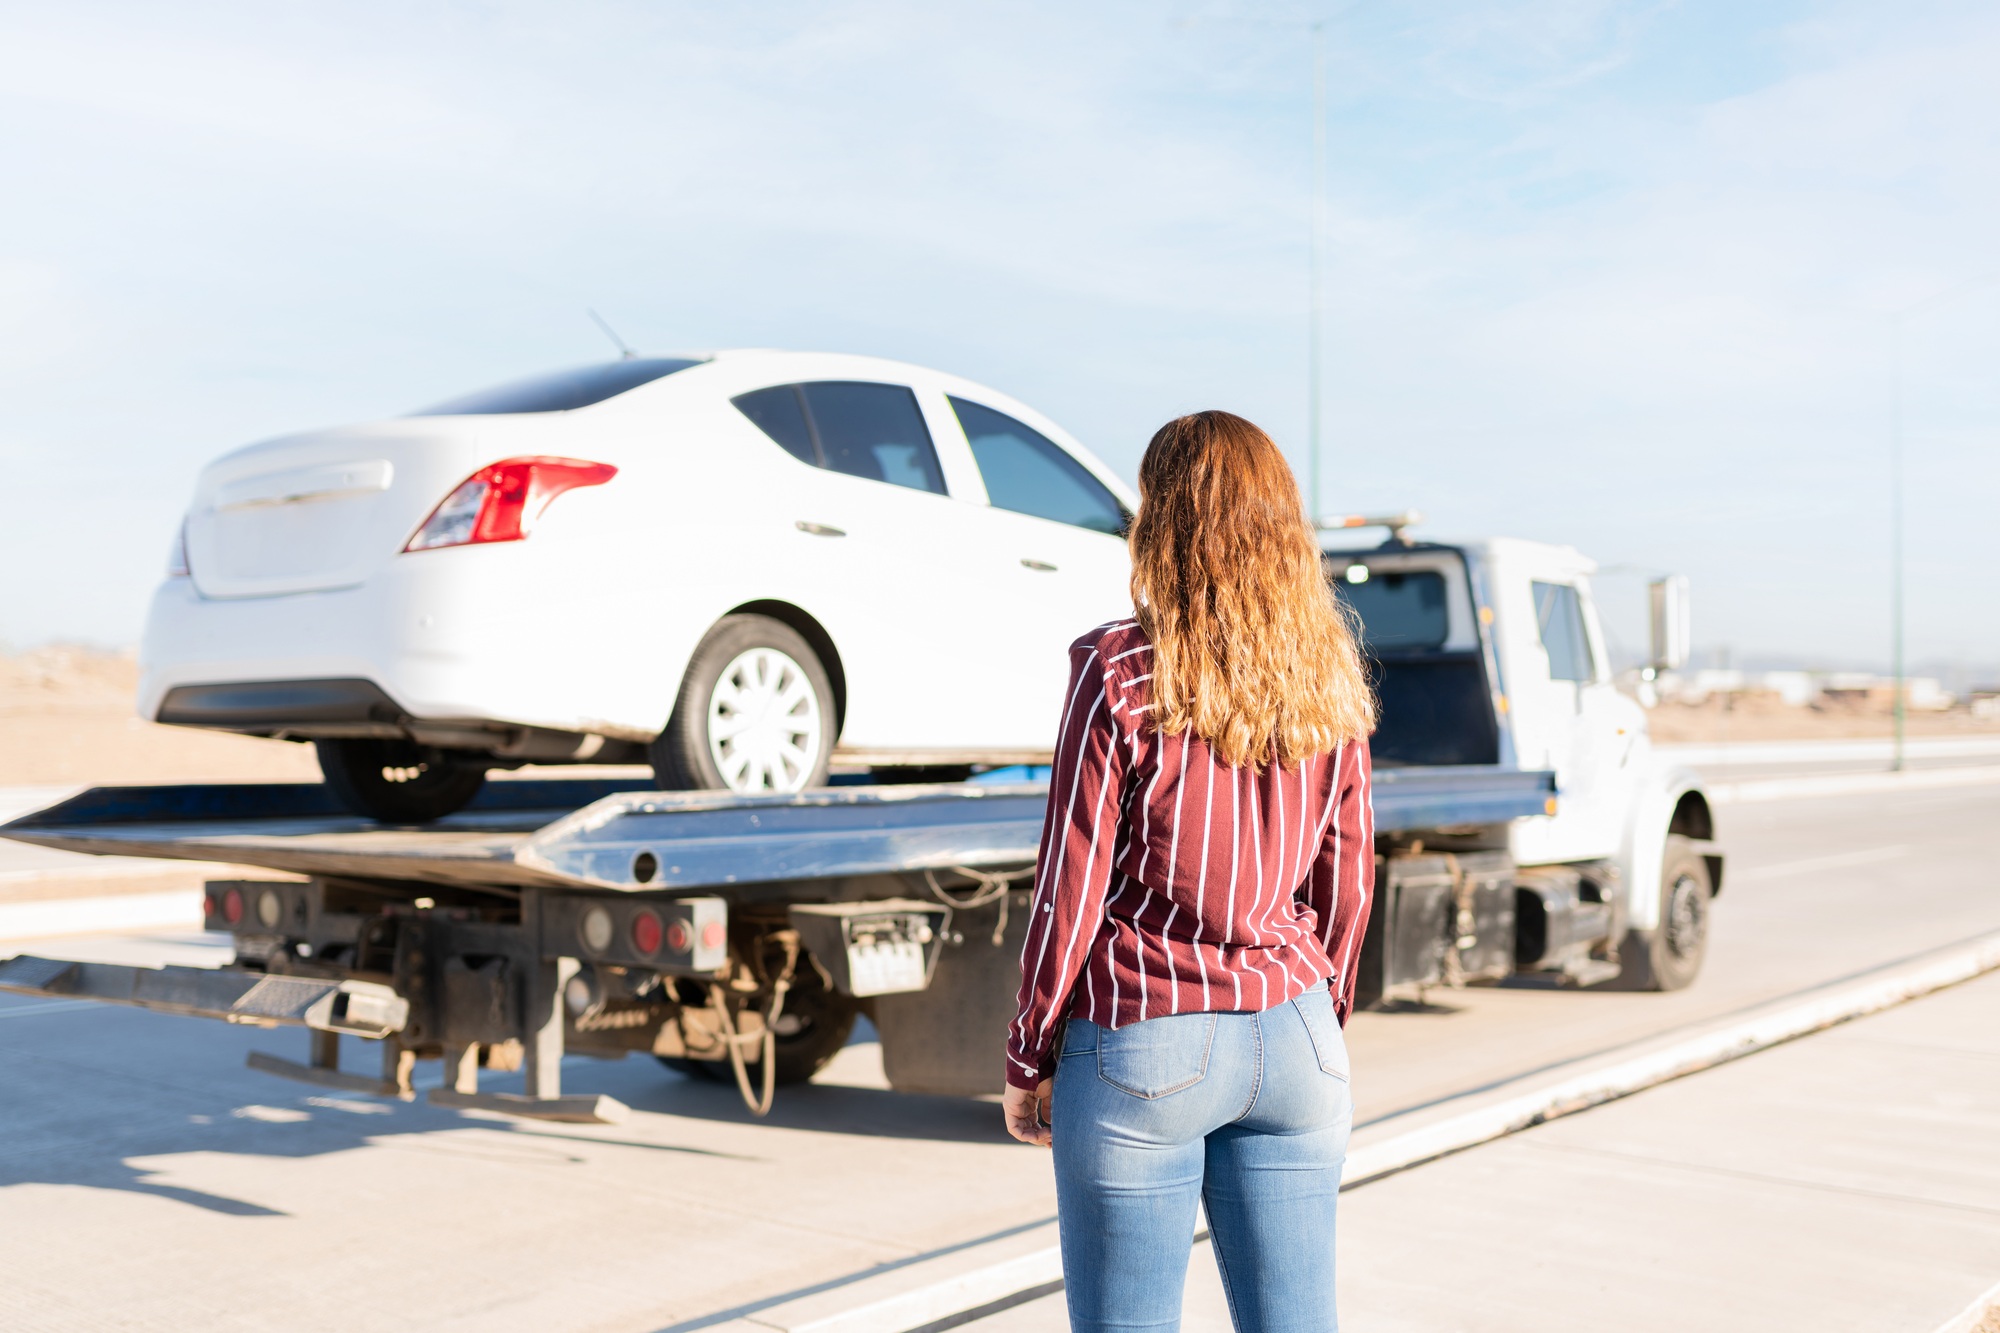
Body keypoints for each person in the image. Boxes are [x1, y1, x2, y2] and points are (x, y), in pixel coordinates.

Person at [1000, 410, 1377, 1332]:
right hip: (1297, 1030)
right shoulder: (1329, 673)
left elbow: (1071, 882)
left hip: (1146, 1032)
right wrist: (1317, 1014)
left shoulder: (1119, 667)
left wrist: (1028, 1051)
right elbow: (1349, 879)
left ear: (1161, 520)